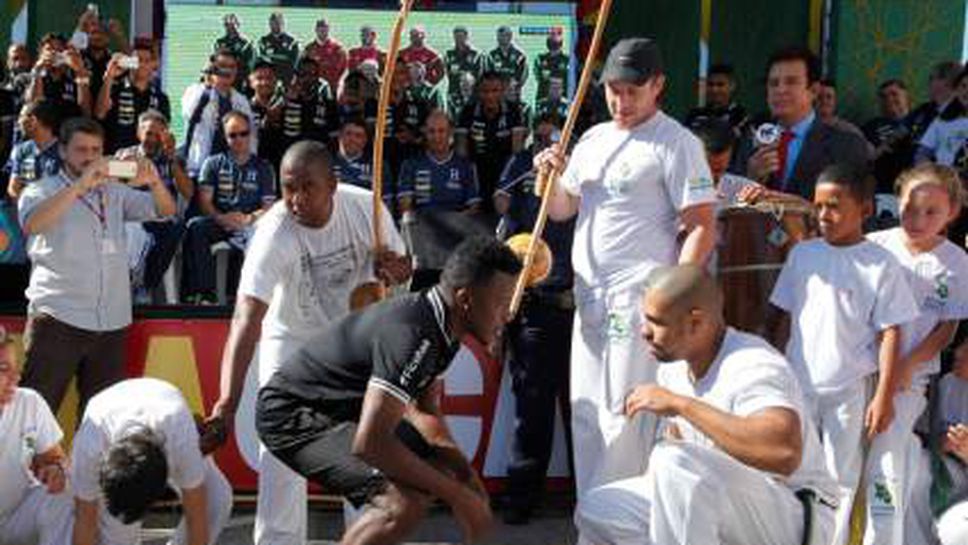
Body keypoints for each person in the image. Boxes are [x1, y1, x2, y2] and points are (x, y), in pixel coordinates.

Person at [533, 38, 718, 532]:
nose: (621, 100)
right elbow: (562, 209)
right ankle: (592, 529)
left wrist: (674, 301)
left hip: (640, 302)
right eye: (613, 90)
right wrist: (550, 175)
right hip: (588, 298)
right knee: (588, 415)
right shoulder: (592, 139)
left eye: (633, 90)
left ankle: (626, 530)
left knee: (626, 419)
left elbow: (701, 224)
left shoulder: (676, 142)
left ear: (658, 85)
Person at [206, 140, 409, 545]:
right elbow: (247, 318)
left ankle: (367, 536)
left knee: (364, 446)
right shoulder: (272, 232)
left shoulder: (365, 208)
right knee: (281, 451)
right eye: (287, 187)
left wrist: (396, 268)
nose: (295, 199)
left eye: (307, 187)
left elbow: (404, 269)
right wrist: (227, 402)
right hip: (291, 340)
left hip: (351, 340)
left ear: (333, 184)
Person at [256, 236, 518, 545]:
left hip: (341, 409)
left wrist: (467, 478)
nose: (509, 313)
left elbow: (424, 411)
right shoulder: (412, 335)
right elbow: (371, 444)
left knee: (441, 476)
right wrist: (459, 498)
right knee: (401, 504)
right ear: (465, 299)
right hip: (292, 414)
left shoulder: (442, 322)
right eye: (502, 302)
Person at [576, 264, 837, 545]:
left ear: (696, 322)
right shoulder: (674, 369)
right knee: (600, 508)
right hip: (729, 505)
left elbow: (783, 452)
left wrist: (681, 405)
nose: (644, 332)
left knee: (674, 462)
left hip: (795, 513)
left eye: (656, 322)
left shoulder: (753, 363)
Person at [767, 163, 919, 545]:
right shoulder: (803, 256)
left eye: (834, 206)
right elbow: (783, 319)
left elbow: (891, 333)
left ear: (865, 210)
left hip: (849, 389)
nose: (823, 215)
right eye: (818, 206)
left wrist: (883, 396)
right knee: (792, 467)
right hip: (798, 385)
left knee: (840, 477)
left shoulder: (880, 264)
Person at [17, 116, 175, 417]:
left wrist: (153, 180)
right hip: (58, 318)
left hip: (111, 322)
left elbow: (165, 210)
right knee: (34, 418)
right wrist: (80, 185)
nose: (89, 157)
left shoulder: (113, 191)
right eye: (81, 150)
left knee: (101, 423)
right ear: (62, 151)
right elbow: (33, 224)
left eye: (95, 150)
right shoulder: (42, 189)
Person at [864, 163, 968, 545]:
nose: (917, 220)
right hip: (862, 370)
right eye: (909, 209)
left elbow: (947, 328)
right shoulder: (875, 245)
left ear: (952, 213)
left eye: (931, 212)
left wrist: (907, 366)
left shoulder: (957, 262)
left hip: (910, 377)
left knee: (886, 459)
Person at [493, 114, 576, 524]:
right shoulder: (521, 187)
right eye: (541, 143)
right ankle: (521, 497)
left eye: (557, 143)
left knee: (588, 410)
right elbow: (504, 250)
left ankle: (592, 496)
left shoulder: (583, 186)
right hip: (537, 308)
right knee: (533, 409)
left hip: (582, 311)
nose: (549, 152)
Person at [71, 378, 232, 545]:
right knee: (119, 537)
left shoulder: (181, 439)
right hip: (118, 424)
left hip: (169, 425)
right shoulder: (89, 447)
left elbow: (196, 515)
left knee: (217, 498)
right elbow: (85, 522)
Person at [734, 46, 870, 201]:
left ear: (814, 90)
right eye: (773, 83)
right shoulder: (751, 141)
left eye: (791, 82)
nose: (780, 90)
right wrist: (751, 179)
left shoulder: (846, 143)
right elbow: (731, 207)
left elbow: (856, 210)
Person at [182, 111, 275, 305]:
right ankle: (205, 293)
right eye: (233, 135)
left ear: (251, 134)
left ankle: (244, 296)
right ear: (225, 137)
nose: (239, 139)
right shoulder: (212, 163)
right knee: (195, 226)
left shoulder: (264, 167)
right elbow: (205, 202)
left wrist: (248, 219)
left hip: (251, 223)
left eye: (243, 133)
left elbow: (268, 208)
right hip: (220, 221)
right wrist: (221, 218)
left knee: (262, 234)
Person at [0, 325, 73, 545]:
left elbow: (55, 459)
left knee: (64, 493)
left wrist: (54, 469)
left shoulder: (29, 401)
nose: (16, 377)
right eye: (3, 369)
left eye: (16, 367)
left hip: (17, 517)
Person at [115, 110, 193, 302]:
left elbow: (189, 193)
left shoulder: (175, 158)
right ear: (139, 133)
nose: (152, 139)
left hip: (162, 218)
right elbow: (115, 183)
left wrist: (172, 159)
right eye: (149, 133)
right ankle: (124, 285)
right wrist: (132, 166)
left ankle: (145, 286)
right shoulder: (125, 155)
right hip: (132, 217)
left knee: (176, 229)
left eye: (158, 134)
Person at [455, 71, 527, 215]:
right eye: (485, 91)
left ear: (503, 91)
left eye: (495, 91)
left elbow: (517, 150)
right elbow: (461, 151)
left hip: (504, 171)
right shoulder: (468, 112)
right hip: (476, 170)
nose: (490, 96)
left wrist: (508, 180)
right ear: (478, 92)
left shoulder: (514, 111)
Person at [180, 50, 256, 179]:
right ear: (213, 68)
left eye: (232, 67)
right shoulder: (196, 91)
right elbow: (190, 113)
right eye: (223, 66)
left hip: (232, 172)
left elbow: (251, 136)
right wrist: (209, 84)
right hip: (199, 169)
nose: (227, 71)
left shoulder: (241, 100)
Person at [399, 109, 480, 215]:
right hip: (422, 226)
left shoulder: (466, 166)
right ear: (425, 132)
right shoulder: (410, 165)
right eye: (431, 131)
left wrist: (455, 222)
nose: (436, 137)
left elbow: (475, 208)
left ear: (450, 132)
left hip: (459, 227)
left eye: (441, 131)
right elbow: (405, 207)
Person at [95, 41, 170, 153]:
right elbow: (100, 113)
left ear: (153, 65)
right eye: (138, 60)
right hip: (117, 157)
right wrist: (109, 76)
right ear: (129, 62)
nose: (142, 64)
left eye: (147, 61)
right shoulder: (114, 88)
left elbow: (163, 132)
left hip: (146, 160)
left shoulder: (160, 97)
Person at [863, 79, 915, 193]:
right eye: (883, 97)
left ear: (906, 97)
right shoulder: (870, 127)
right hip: (883, 188)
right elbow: (867, 158)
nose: (889, 99)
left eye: (894, 94)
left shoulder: (921, 121)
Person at [25, 33, 91, 118]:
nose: (55, 54)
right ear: (41, 54)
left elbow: (85, 113)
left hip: (69, 127)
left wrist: (80, 71)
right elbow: (33, 108)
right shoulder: (29, 77)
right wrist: (37, 71)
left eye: (60, 51)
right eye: (50, 50)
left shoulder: (75, 79)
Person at [280, 56, 339, 150]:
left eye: (312, 74)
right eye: (303, 74)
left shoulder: (328, 105)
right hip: (291, 156)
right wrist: (292, 102)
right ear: (296, 76)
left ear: (318, 77)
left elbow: (333, 139)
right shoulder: (284, 104)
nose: (307, 79)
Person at [6, 101, 61, 199]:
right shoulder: (22, 149)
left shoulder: (65, 151)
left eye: (21, 117)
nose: (18, 122)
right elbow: (13, 188)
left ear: (33, 120)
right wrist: (29, 204)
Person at [684, 63, 750, 136]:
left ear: (732, 86)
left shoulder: (740, 116)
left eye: (720, 85)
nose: (714, 89)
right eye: (710, 84)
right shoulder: (695, 115)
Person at [907, 60, 961, 143]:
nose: (928, 83)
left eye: (932, 78)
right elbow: (899, 133)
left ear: (948, 82)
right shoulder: (923, 109)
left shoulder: (962, 116)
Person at [247, 59, 285, 170]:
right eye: (259, 78)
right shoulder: (244, 108)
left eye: (269, 78)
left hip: (281, 170)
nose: (265, 82)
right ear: (251, 82)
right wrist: (266, 122)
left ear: (276, 81)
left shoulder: (284, 107)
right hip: (253, 170)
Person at [302, 18, 348, 93]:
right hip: (313, 88)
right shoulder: (309, 48)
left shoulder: (337, 48)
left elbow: (343, 67)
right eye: (320, 29)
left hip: (332, 87)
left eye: (325, 29)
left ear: (328, 30)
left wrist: (335, 82)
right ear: (316, 30)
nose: (323, 32)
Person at [213, 14, 255, 89]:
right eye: (227, 25)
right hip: (223, 81)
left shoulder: (246, 43)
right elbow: (216, 62)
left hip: (240, 81)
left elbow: (251, 65)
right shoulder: (220, 43)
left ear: (238, 25)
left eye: (232, 24)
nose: (230, 27)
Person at [258, 12, 299, 88]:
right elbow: (263, 62)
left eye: (277, 23)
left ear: (283, 23)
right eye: (272, 23)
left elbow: (295, 64)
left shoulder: (292, 41)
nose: (275, 25)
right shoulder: (263, 41)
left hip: (287, 80)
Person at [444, 26, 484, 105]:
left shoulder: (476, 54)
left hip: (472, 93)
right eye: (456, 37)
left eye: (461, 36)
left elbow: (480, 74)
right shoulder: (449, 54)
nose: (458, 39)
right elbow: (448, 73)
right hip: (454, 92)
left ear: (466, 37)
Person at [533, 28, 569, 103]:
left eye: (556, 34)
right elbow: (538, 77)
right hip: (543, 98)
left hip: (563, 100)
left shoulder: (567, 60)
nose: (553, 37)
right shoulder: (540, 59)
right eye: (551, 34)